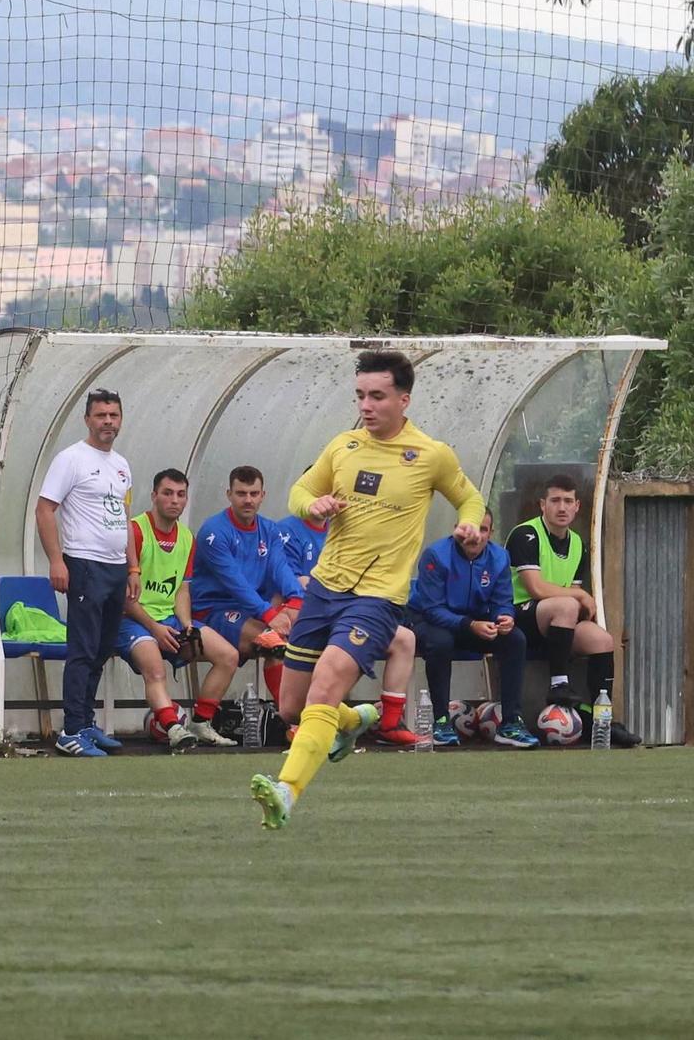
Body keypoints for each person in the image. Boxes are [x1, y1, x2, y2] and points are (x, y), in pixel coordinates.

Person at [251, 350, 485, 830]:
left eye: (377, 396)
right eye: (360, 395)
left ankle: (287, 790)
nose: (366, 405)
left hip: (379, 597)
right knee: (291, 705)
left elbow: (470, 497)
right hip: (324, 589)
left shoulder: (430, 454)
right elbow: (298, 493)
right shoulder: (343, 446)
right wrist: (312, 505)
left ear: (404, 399)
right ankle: (354, 720)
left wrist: (466, 525)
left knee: (323, 686)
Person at [34, 390, 134, 758]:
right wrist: (56, 561)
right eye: (101, 415)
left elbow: (124, 517)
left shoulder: (122, 465)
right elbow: (45, 510)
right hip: (84, 563)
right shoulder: (71, 459)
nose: (108, 421)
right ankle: (71, 730)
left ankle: (86, 721)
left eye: (114, 415)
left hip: (115, 567)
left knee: (103, 648)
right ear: (88, 419)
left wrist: (132, 566)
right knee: (83, 647)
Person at [505, 475, 639, 747]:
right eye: (555, 500)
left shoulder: (578, 543)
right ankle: (558, 684)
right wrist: (578, 595)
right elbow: (536, 589)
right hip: (520, 616)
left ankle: (598, 719)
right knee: (567, 604)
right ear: (543, 505)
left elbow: (570, 597)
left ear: (578, 506)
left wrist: (577, 600)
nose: (562, 507)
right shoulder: (525, 534)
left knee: (602, 639)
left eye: (568, 501)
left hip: (558, 619)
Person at [275, 510, 422, 748]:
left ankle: (389, 725)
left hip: (349, 614)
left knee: (404, 639)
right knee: (291, 709)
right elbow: (294, 582)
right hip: (307, 614)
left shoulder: (348, 525)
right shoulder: (286, 531)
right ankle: (346, 720)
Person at [120, 468, 239, 750]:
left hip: (169, 619)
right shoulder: (135, 531)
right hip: (132, 619)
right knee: (155, 667)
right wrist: (156, 628)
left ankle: (200, 723)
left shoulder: (186, 537)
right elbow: (125, 598)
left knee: (228, 655)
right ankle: (172, 727)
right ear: (154, 496)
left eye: (181, 494)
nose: (175, 500)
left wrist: (186, 624)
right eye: (168, 493)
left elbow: (182, 590)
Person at [411, 512, 536, 747]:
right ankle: (440, 721)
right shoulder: (436, 555)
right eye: (470, 529)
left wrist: (505, 617)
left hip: (475, 622)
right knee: (441, 642)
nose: (476, 536)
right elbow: (432, 608)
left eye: (483, 530)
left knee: (515, 639)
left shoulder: (499, 557)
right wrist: (469, 625)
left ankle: (510, 723)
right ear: (456, 528)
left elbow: (502, 600)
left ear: (491, 533)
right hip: (431, 620)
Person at [187, 467, 298, 701]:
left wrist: (297, 600)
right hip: (212, 611)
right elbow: (235, 582)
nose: (248, 500)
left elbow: (280, 567)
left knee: (301, 641)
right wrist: (269, 614)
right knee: (275, 645)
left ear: (262, 495)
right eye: (241, 493)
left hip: (249, 610)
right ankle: (292, 719)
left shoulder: (269, 529)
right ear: (229, 494)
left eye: (254, 493)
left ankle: (295, 719)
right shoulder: (214, 531)